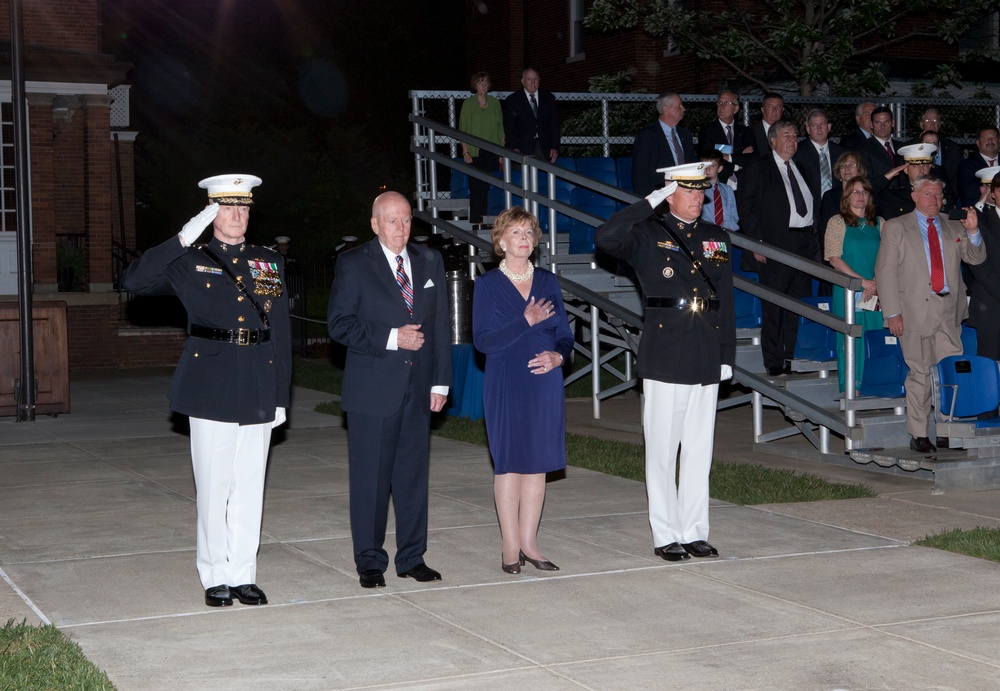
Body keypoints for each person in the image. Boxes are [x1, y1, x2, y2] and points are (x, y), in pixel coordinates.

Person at [121, 174, 291, 608]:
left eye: (244, 208)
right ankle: (214, 574)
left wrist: (280, 397)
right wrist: (182, 237)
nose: (237, 216)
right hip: (210, 381)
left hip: (257, 379)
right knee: (214, 485)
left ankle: (243, 574)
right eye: (227, 208)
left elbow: (281, 332)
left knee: (250, 484)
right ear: (212, 213)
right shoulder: (189, 259)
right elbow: (134, 280)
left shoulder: (266, 260)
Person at [595, 162, 736, 561]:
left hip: (706, 348)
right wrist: (649, 202)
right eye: (689, 190)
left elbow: (725, 298)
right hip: (666, 351)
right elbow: (606, 236)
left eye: (701, 191)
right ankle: (665, 533)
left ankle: (694, 530)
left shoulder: (716, 237)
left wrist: (727, 353)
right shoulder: (646, 233)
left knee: (698, 450)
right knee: (661, 451)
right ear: (671, 192)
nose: (699, 198)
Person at [327, 191, 452, 589]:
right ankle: (369, 560)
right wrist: (393, 337)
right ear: (375, 223)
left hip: (419, 388)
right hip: (372, 391)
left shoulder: (429, 260)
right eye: (392, 221)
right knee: (371, 482)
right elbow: (339, 324)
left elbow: (440, 329)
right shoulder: (353, 264)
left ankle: (412, 557)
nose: (401, 229)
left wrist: (440, 380)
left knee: (413, 478)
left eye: (407, 220)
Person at [472, 207, 573, 574]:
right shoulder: (486, 285)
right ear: (501, 241)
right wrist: (526, 320)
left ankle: (531, 543)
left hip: (544, 383)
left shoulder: (548, 281)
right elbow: (483, 341)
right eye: (516, 233)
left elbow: (565, 336)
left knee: (537, 466)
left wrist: (558, 358)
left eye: (529, 232)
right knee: (510, 464)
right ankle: (510, 546)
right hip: (506, 382)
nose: (525, 238)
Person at [874, 175, 985, 453]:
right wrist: (892, 313)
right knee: (920, 374)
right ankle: (920, 433)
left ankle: (948, 429)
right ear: (914, 196)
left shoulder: (951, 224)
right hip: (913, 312)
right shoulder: (896, 227)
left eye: (938, 195)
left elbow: (975, 258)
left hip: (948, 310)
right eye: (927, 195)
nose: (934, 200)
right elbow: (884, 272)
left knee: (950, 373)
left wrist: (973, 232)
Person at [737, 120, 816, 376]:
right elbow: (746, 208)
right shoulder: (758, 167)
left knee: (796, 304)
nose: (792, 140)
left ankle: (790, 357)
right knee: (774, 307)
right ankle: (773, 362)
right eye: (786, 135)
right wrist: (756, 242)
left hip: (803, 244)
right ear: (772, 140)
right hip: (774, 245)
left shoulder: (801, 167)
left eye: (795, 135)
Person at [824, 176, 884, 391]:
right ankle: (852, 387)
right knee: (852, 337)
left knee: (875, 335)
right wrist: (861, 282)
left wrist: (876, 282)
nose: (861, 196)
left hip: (877, 289)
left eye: (864, 192)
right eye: (855, 192)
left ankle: (877, 384)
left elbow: (888, 256)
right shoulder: (837, 222)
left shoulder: (880, 222)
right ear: (847, 196)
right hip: (849, 290)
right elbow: (834, 258)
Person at [459, 70, 505, 223]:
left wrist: (501, 153)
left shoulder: (495, 103)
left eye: (485, 82)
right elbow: (463, 129)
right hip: (475, 151)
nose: (483, 85)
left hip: (492, 151)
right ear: (475, 85)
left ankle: (491, 221)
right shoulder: (468, 104)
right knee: (476, 187)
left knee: (489, 189)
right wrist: (465, 151)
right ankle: (476, 221)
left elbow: (500, 129)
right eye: (480, 82)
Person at [631, 92, 697, 196]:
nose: (683, 109)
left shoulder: (685, 135)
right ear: (666, 109)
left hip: (686, 193)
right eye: (679, 106)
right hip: (661, 194)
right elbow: (641, 174)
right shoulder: (647, 136)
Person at [968, 172, 1000, 372]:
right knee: (989, 367)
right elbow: (977, 264)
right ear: (994, 193)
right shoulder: (980, 220)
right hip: (991, 304)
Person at [696, 90, 756, 184]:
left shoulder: (746, 132)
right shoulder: (707, 131)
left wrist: (728, 157)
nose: (721, 106)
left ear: (735, 109)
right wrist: (736, 166)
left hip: (743, 184)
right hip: (719, 183)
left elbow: (752, 159)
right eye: (720, 102)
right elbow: (709, 160)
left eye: (726, 103)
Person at [503, 67, 560, 163]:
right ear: (523, 81)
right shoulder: (513, 100)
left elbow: (554, 125)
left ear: (539, 80)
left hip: (545, 150)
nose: (533, 82)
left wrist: (555, 147)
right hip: (522, 150)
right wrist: (514, 148)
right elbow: (510, 127)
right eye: (529, 79)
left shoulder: (549, 98)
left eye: (535, 79)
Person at [875, 143, 937, 220]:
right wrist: (886, 177)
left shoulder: (939, 195)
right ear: (906, 169)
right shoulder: (894, 197)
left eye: (925, 165)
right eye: (915, 166)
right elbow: (868, 195)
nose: (921, 171)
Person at [819, 152, 867, 235]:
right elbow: (824, 228)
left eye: (851, 165)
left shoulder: (867, 194)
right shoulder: (830, 196)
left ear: (859, 170)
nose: (846, 169)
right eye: (842, 166)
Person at [958, 126, 1000, 208]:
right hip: (980, 212)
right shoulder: (967, 164)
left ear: (999, 141)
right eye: (985, 139)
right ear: (977, 143)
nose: (990, 141)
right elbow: (968, 193)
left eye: (993, 138)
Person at [700, 150, 739, 231]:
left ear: (719, 168)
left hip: (728, 232)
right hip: (706, 231)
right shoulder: (699, 189)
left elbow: (734, 215)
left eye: (712, 166)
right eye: (705, 166)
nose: (708, 169)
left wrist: (729, 228)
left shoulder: (727, 189)